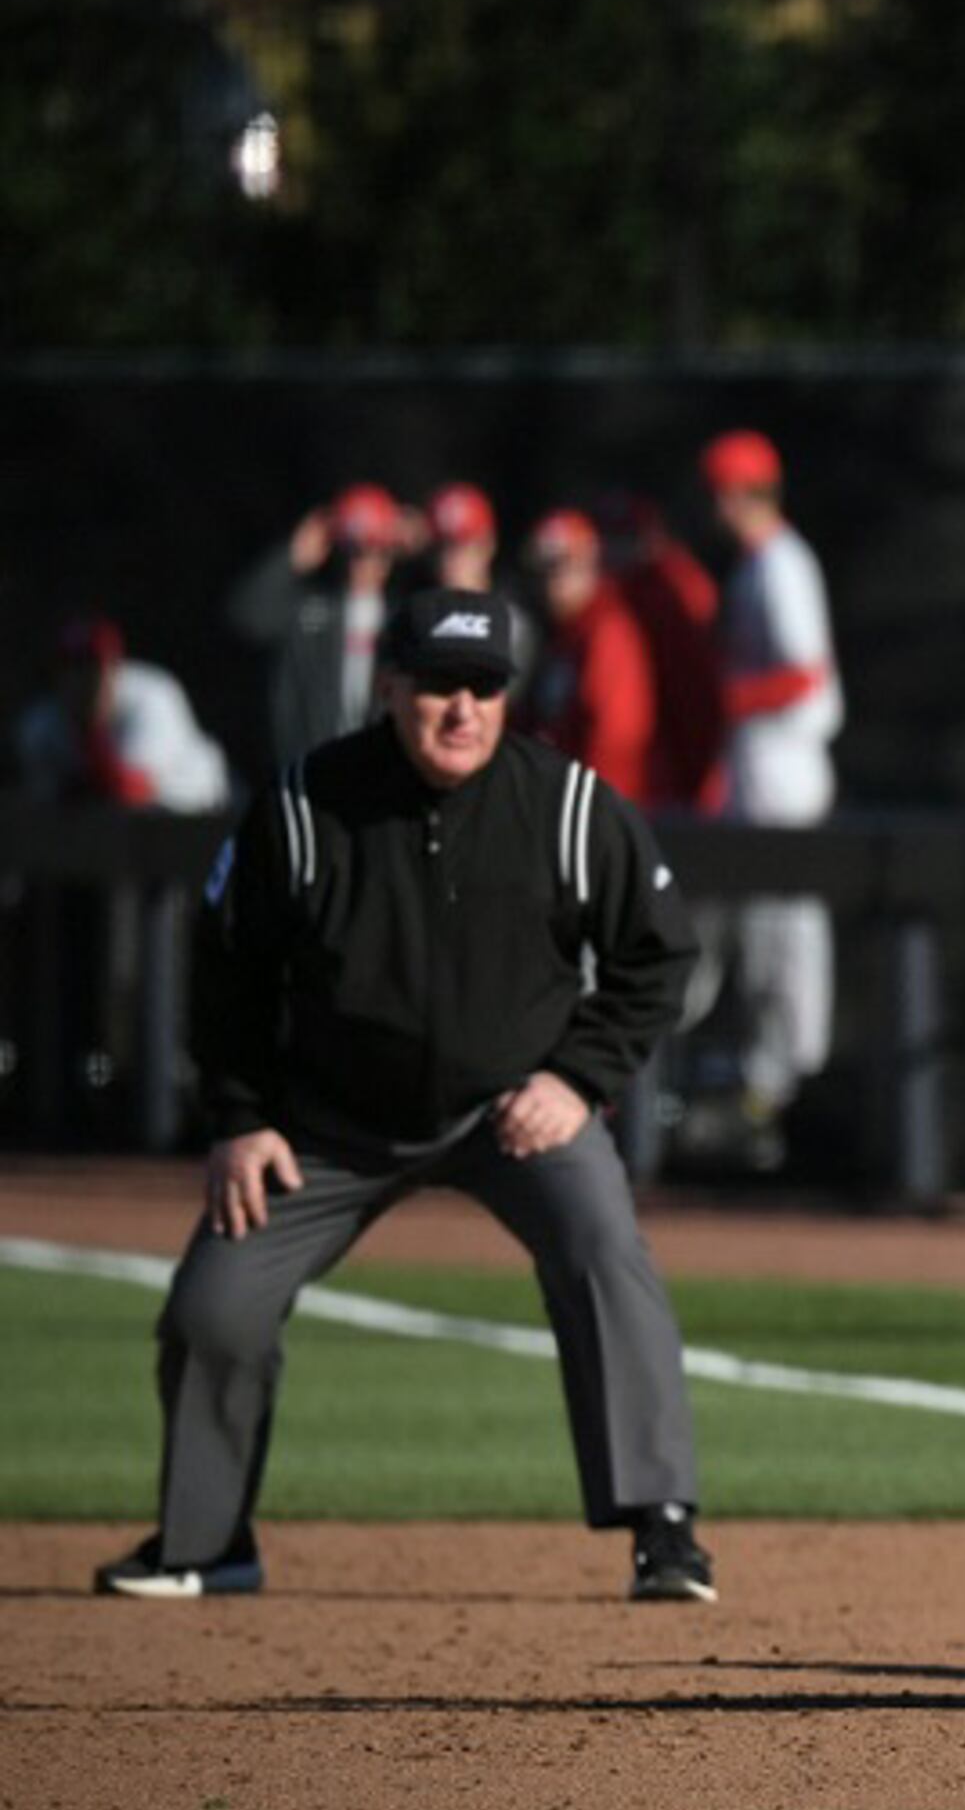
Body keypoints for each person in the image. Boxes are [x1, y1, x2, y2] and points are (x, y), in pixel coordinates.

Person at [90, 588, 710, 1604]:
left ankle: (666, 1528)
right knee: (214, 1307)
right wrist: (241, 1121)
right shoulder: (303, 807)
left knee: (604, 1248)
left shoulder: (566, 804)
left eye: (483, 688)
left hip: (513, 1108)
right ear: (390, 688)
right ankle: (207, 1542)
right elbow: (228, 976)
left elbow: (659, 955)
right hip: (329, 1124)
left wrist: (574, 1077)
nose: (461, 709)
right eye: (437, 687)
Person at [703, 429, 842, 1142]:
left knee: (787, 941)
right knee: (764, 941)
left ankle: (794, 1082)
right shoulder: (758, 564)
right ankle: (769, 1083)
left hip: (788, 773)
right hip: (763, 773)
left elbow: (804, 674)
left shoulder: (782, 563)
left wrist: (729, 698)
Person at [226, 484, 410, 781]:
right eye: (352, 551)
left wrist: (426, 542)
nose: (361, 563)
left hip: (383, 777)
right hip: (314, 773)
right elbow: (248, 617)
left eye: (375, 550)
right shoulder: (312, 614)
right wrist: (294, 556)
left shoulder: (404, 618)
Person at [18, 617, 229, 812]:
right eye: (73, 667)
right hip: (134, 834)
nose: (84, 680)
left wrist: (91, 731)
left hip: (206, 811)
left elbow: (128, 792)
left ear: (115, 667)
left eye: (94, 666)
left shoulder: (150, 696)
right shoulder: (40, 723)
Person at [601, 491, 724, 813]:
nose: (618, 555)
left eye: (628, 540)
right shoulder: (608, 598)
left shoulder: (678, 583)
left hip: (678, 750)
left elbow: (696, 690)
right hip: (643, 754)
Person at [521, 510, 656, 801]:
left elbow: (617, 738)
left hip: (597, 806)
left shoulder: (607, 631)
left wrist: (591, 806)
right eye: (543, 570)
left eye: (560, 568)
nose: (550, 582)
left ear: (589, 565)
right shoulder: (562, 633)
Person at [422, 482, 542, 681]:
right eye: (442, 546)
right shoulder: (416, 620)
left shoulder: (512, 625)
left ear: (488, 545)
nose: (449, 560)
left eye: (462, 545)